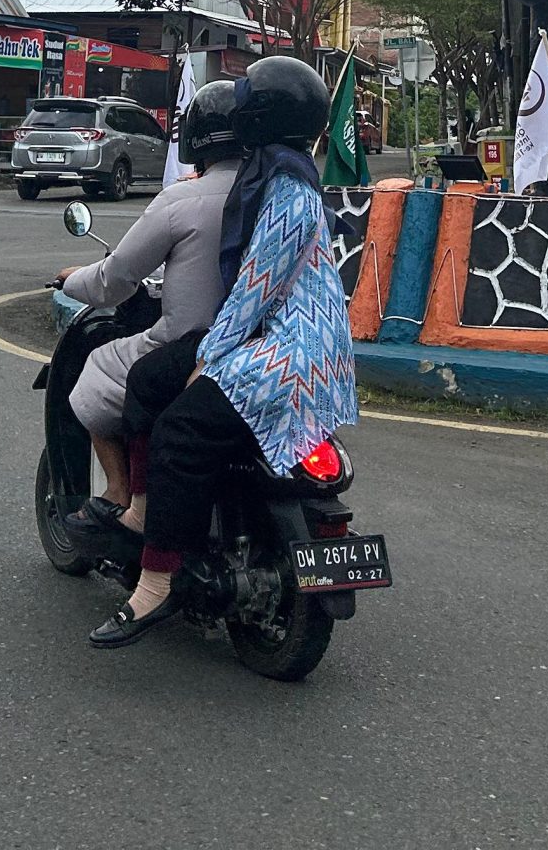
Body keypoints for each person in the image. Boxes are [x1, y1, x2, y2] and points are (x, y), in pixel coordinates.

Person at [90, 55, 357, 649]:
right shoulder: (269, 172)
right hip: (269, 335)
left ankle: (157, 583)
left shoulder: (287, 188)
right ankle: (140, 507)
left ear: (260, 117)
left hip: (292, 351)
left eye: (244, 99)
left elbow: (258, 285)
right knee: (151, 375)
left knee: (182, 431)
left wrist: (209, 358)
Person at [52, 81, 244, 538]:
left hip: (193, 346)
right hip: (268, 347)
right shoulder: (280, 194)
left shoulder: (183, 199)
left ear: (194, 139)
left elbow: (115, 278)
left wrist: (72, 278)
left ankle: (121, 494)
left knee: (102, 366)